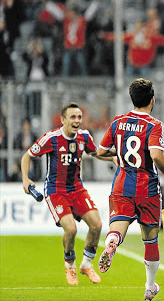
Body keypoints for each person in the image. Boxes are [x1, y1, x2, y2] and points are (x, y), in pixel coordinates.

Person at [96, 78, 164, 301]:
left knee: (117, 229)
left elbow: (100, 150)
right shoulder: (154, 125)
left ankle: (112, 241)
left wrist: (118, 156)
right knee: (150, 240)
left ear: (132, 99)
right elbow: (155, 154)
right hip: (147, 189)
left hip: (121, 185)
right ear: (152, 100)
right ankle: (150, 287)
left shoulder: (118, 121)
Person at [20, 102, 112, 285]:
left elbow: (94, 153)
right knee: (71, 229)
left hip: (77, 188)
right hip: (56, 191)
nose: (77, 120)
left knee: (97, 225)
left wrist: (114, 157)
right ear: (63, 120)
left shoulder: (84, 136)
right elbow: (27, 155)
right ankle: (70, 266)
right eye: (72, 117)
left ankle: (86, 265)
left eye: (79, 117)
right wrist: (25, 178)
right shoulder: (51, 138)